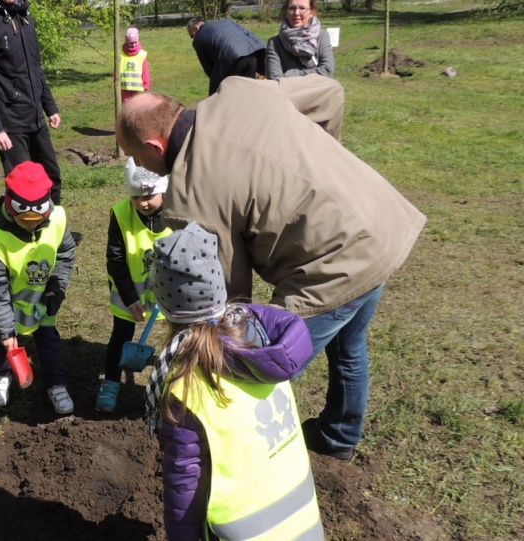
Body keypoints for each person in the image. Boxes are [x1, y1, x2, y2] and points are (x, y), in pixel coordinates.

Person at [116, 87, 426, 461]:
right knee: (348, 347)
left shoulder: (191, 197)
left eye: (136, 157)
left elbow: (227, 300)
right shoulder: (240, 92)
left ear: (155, 145)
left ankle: (243, 458)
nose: (142, 167)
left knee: (258, 364)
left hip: (333, 264)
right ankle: (339, 437)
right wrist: (323, 168)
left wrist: (207, 354)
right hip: (381, 219)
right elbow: (329, 93)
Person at [145, 222, 323, 541]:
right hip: (303, 520)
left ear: (165, 307)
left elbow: (186, 485)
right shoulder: (262, 343)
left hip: (244, 530)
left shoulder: (186, 388)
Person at [0, 161, 77, 414]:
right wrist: (7, 331)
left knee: (49, 342)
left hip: (43, 299)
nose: (31, 226)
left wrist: (57, 286)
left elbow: (65, 255)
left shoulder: (57, 220)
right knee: (3, 342)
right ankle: (1, 374)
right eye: (25, 222)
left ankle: (55, 382)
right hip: (9, 303)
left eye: (36, 222)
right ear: (11, 210)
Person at [0, 0, 64, 204]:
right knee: (23, 187)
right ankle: (22, 233)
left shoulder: (25, 16)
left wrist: (49, 106)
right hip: (9, 121)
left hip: (35, 115)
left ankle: (54, 231)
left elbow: (35, 68)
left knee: (51, 176)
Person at [96, 158, 170, 413]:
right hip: (130, 291)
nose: (143, 203)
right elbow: (115, 260)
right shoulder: (120, 214)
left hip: (170, 293)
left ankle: (176, 384)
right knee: (121, 335)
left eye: (149, 195)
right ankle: (111, 382)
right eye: (136, 197)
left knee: (180, 336)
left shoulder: (180, 213)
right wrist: (129, 298)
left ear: (164, 189)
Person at [187, 17, 266, 95]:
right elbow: (250, 35)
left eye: (191, 36)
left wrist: (216, 84)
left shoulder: (198, 39)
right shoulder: (227, 22)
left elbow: (208, 67)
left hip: (232, 59)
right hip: (251, 54)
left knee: (216, 95)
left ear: (196, 28)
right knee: (248, 90)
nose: (193, 38)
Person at [266, 0, 335, 80]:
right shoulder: (275, 43)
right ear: (286, 12)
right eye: (292, 8)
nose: (296, 13)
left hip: (318, 91)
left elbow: (327, 71)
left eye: (302, 8)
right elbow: (275, 80)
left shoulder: (322, 36)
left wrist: (289, 75)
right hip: (289, 92)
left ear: (312, 12)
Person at [120, 27, 151, 103]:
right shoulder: (121, 54)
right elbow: (116, 69)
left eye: (135, 42)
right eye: (131, 43)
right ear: (126, 42)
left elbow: (145, 70)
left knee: (137, 107)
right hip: (125, 87)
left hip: (138, 89)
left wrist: (146, 84)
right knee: (127, 107)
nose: (133, 45)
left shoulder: (142, 54)